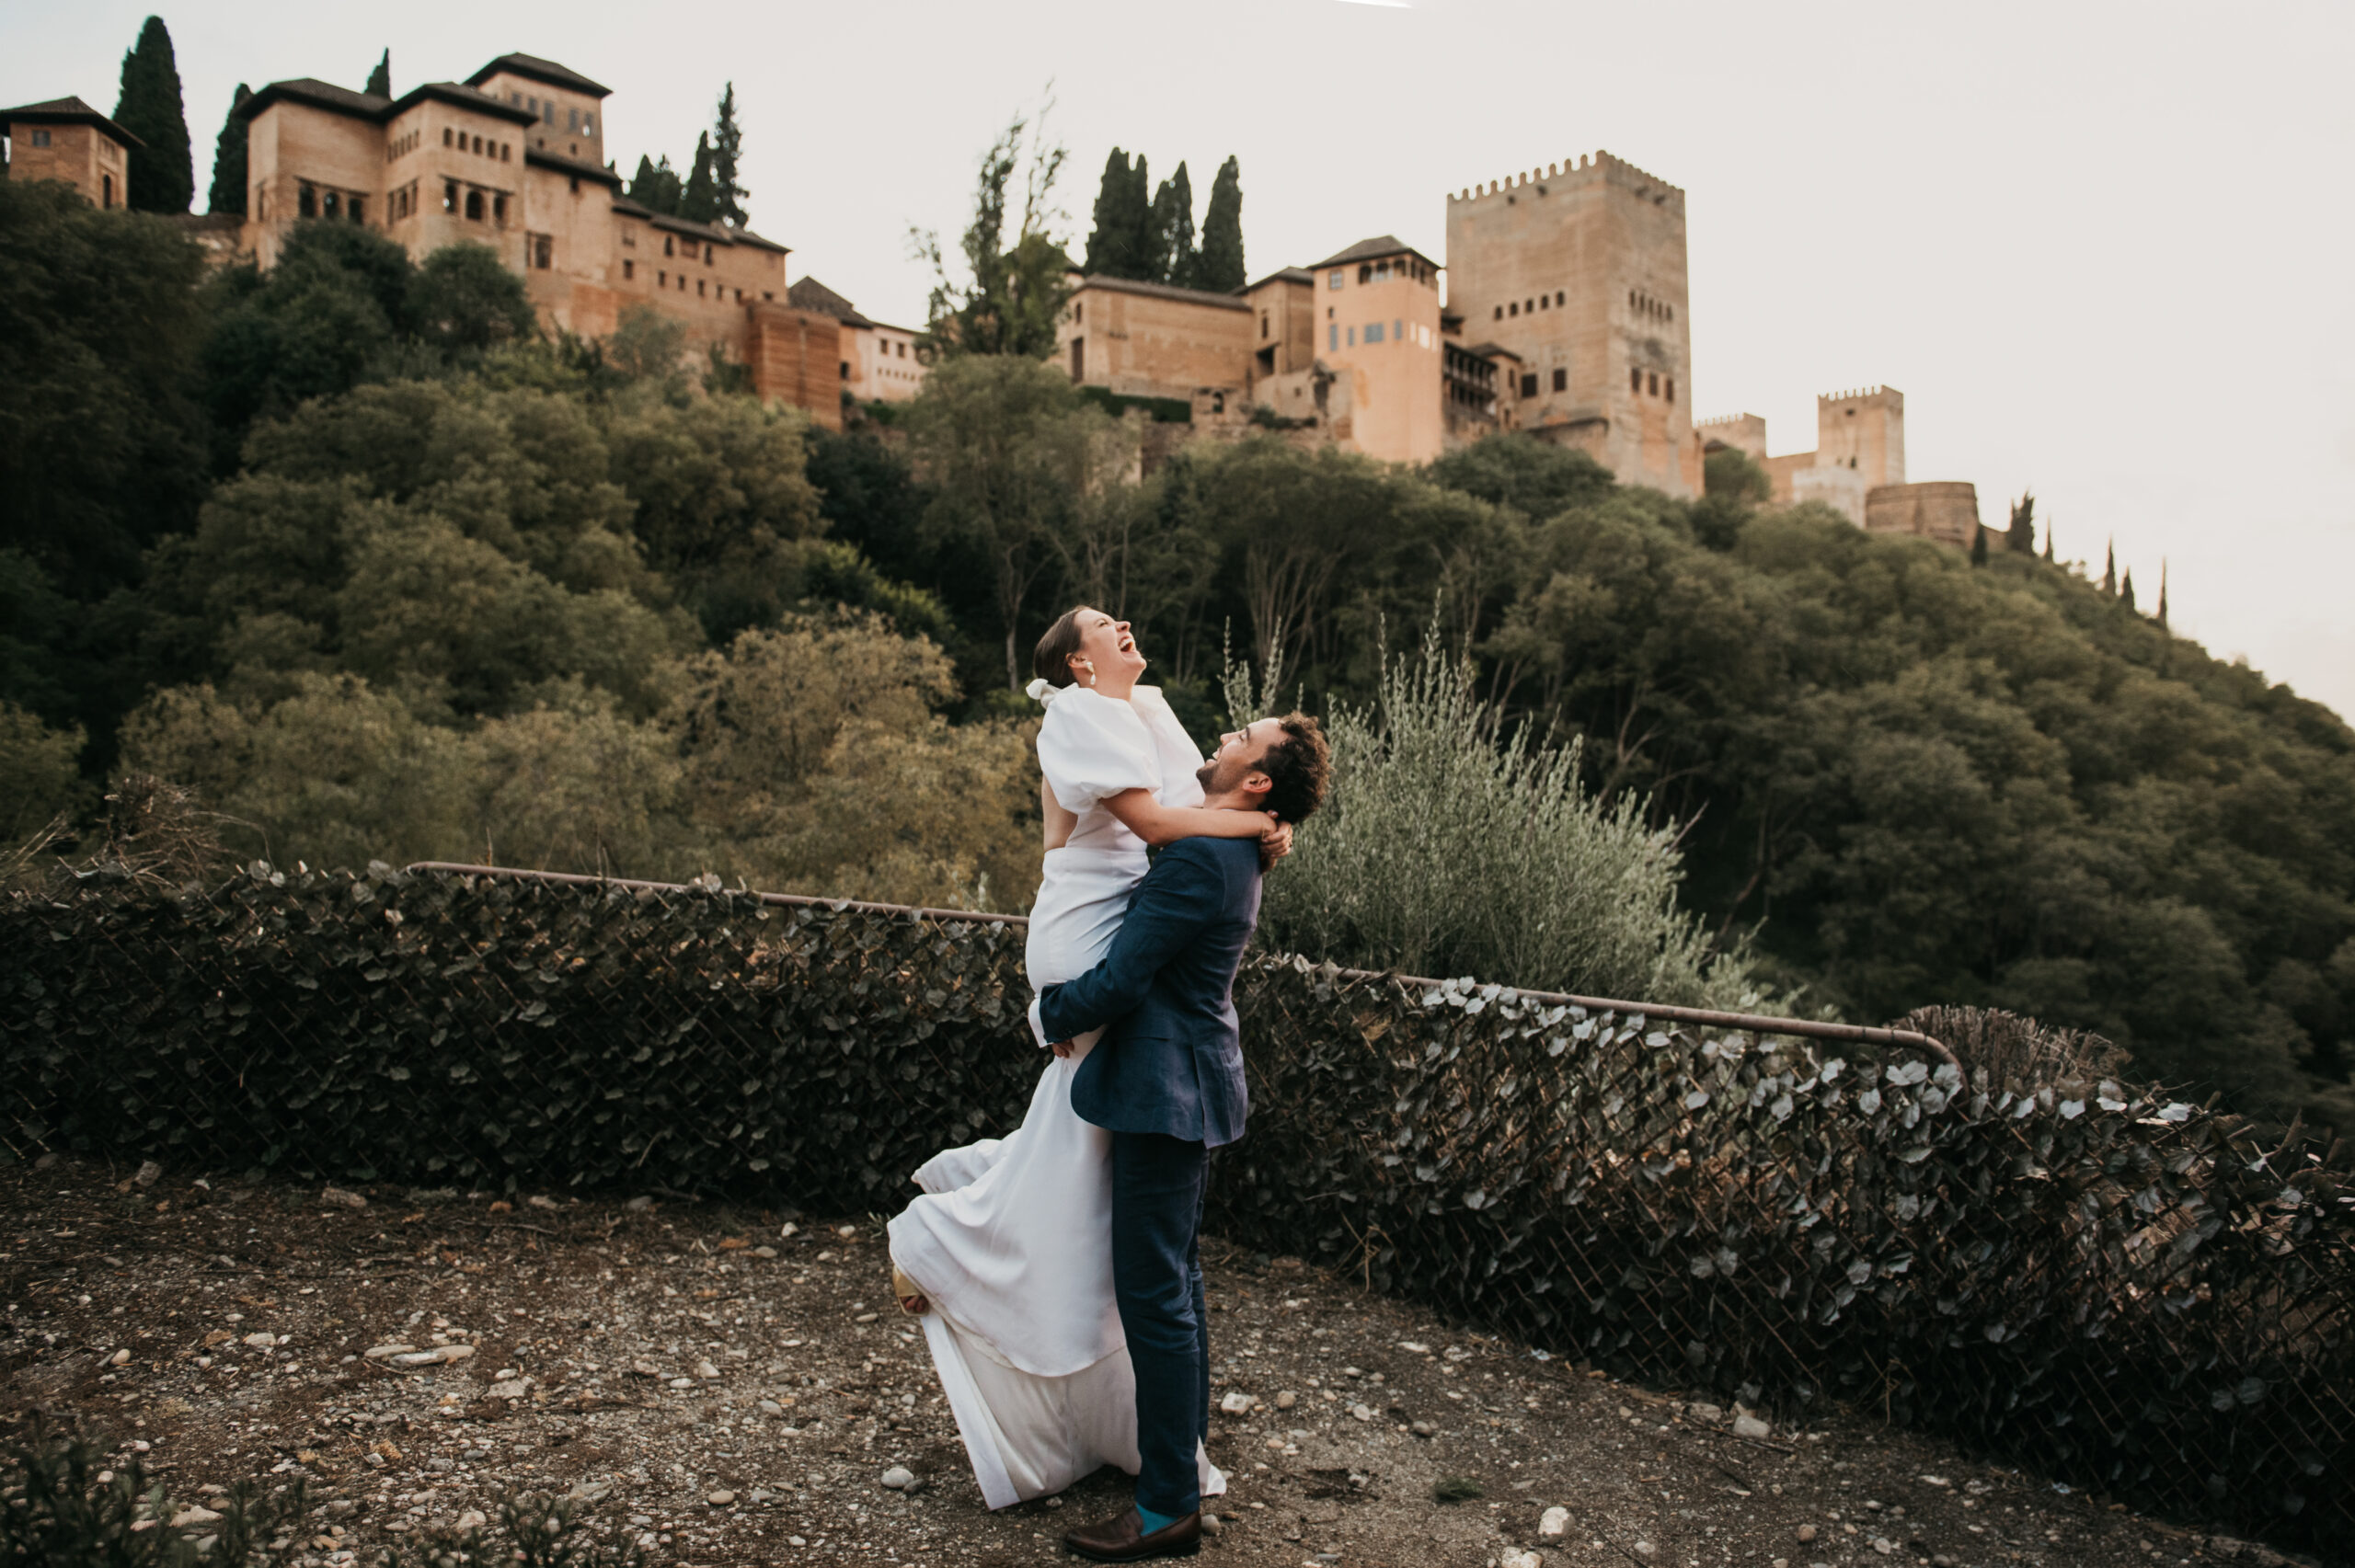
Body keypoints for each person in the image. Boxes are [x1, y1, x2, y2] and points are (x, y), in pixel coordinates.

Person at [883, 607, 1327, 1547]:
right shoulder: (1222, 835)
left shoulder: (1207, 851)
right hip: (1168, 1079)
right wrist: (1262, 823)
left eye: (1240, 737)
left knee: (1157, 1293)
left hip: (1164, 1085)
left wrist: (1048, 1013)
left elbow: (1127, 973)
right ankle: (1168, 1463)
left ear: (1251, 778)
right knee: (1168, 1285)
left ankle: (1168, 1502)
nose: (1221, 731)